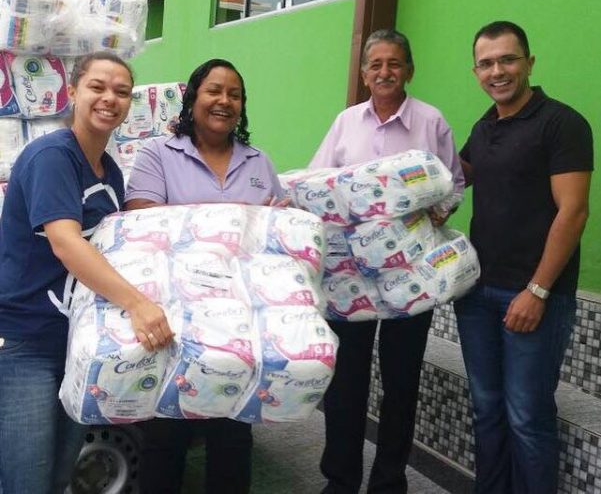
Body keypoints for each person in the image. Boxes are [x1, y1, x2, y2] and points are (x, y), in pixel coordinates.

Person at [0, 51, 173, 494]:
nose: (109, 98)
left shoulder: (109, 170)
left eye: (121, 91)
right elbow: (66, 242)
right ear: (73, 91)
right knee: (25, 480)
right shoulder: (52, 156)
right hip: (26, 343)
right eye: (97, 87)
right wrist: (138, 304)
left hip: (77, 341)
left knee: (60, 475)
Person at [310, 28, 464, 494]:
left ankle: (389, 482)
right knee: (346, 382)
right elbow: (319, 181)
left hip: (410, 277)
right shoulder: (346, 123)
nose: (384, 72)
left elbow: (454, 184)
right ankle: (341, 481)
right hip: (350, 276)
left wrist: (438, 211)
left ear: (409, 70)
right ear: (363, 74)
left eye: (394, 63)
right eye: (375, 64)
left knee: (401, 382)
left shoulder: (431, 122)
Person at [125, 58, 285, 494]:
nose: (224, 101)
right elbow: (142, 220)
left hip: (240, 321)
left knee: (233, 434)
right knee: (166, 434)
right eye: (214, 90)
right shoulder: (159, 154)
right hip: (175, 318)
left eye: (235, 94)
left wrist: (276, 223)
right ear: (193, 98)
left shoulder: (258, 162)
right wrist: (237, 220)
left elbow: (273, 230)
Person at [455, 20, 593, 494]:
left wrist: (537, 291)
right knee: (486, 409)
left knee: (527, 417)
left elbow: (573, 212)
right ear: (476, 72)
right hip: (476, 295)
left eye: (508, 60)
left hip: (535, 297)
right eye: (486, 63)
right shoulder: (484, 127)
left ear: (529, 63)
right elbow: (453, 180)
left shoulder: (562, 123)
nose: (497, 71)